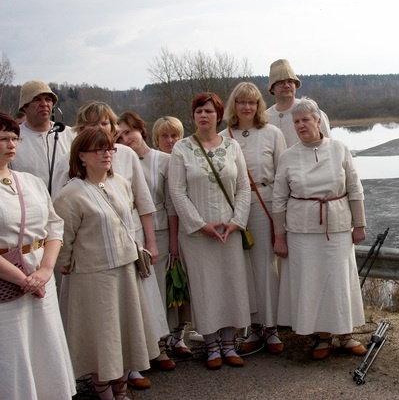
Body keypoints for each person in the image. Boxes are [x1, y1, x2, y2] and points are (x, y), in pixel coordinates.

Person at [52, 101, 168, 390]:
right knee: (102, 337)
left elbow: (137, 209)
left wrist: (144, 246)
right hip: (93, 273)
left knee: (125, 332)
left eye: (109, 149)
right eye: (98, 150)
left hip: (124, 267)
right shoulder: (70, 193)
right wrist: (65, 262)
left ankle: (122, 388)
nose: (106, 154)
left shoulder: (120, 181)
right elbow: (62, 235)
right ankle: (104, 391)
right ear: (81, 155)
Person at [272, 97, 368, 360]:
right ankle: (323, 337)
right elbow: (278, 199)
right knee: (312, 283)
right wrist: (279, 237)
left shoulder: (339, 149)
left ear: (318, 121)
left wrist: (359, 224)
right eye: (296, 121)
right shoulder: (288, 157)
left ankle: (345, 334)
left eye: (305, 120)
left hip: (337, 228)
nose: (301, 125)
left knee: (338, 281)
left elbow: (354, 188)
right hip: (301, 232)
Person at [167, 92, 253, 370]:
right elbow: (177, 192)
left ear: (219, 116)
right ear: (193, 116)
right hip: (197, 235)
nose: (203, 115)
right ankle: (212, 346)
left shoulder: (232, 146)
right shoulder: (181, 148)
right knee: (206, 288)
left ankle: (229, 344)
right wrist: (199, 224)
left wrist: (236, 221)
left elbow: (244, 187)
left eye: (209, 111)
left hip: (229, 231)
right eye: (199, 111)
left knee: (230, 285)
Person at [0, 112, 76, 399]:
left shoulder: (29, 182)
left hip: (41, 280)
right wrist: (23, 280)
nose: (11, 144)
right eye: (3, 139)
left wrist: (44, 271)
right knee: (13, 353)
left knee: (46, 350)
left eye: (14, 138)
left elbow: (54, 226)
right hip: (8, 285)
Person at [117, 111, 193, 366]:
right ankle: (154, 345)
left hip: (162, 230)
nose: (125, 138)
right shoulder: (119, 161)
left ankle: (175, 337)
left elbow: (172, 203)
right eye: (120, 135)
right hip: (133, 231)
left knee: (171, 284)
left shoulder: (163, 161)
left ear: (141, 130)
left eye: (129, 132)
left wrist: (173, 243)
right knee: (150, 290)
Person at [221, 82, 287, 355]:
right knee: (241, 268)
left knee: (264, 266)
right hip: (231, 205)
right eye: (241, 102)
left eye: (252, 102)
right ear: (234, 105)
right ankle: (252, 327)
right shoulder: (222, 137)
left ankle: (270, 327)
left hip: (263, 201)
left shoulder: (272, 133)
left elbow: (283, 174)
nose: (246, 107)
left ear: (259, 105)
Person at [11, 80, 71, 194]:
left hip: (66, 202)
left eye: (48, 99)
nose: (44, 104)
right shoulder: (12, 139)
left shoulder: (69, 134)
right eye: (37, 99)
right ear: (25, 106)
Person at [266, 59, 332, 146]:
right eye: (281, 82)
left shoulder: (311, 111)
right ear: (272, 88)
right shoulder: (264, 118)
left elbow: (329, 146)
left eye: (290, 81)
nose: (286, 85)